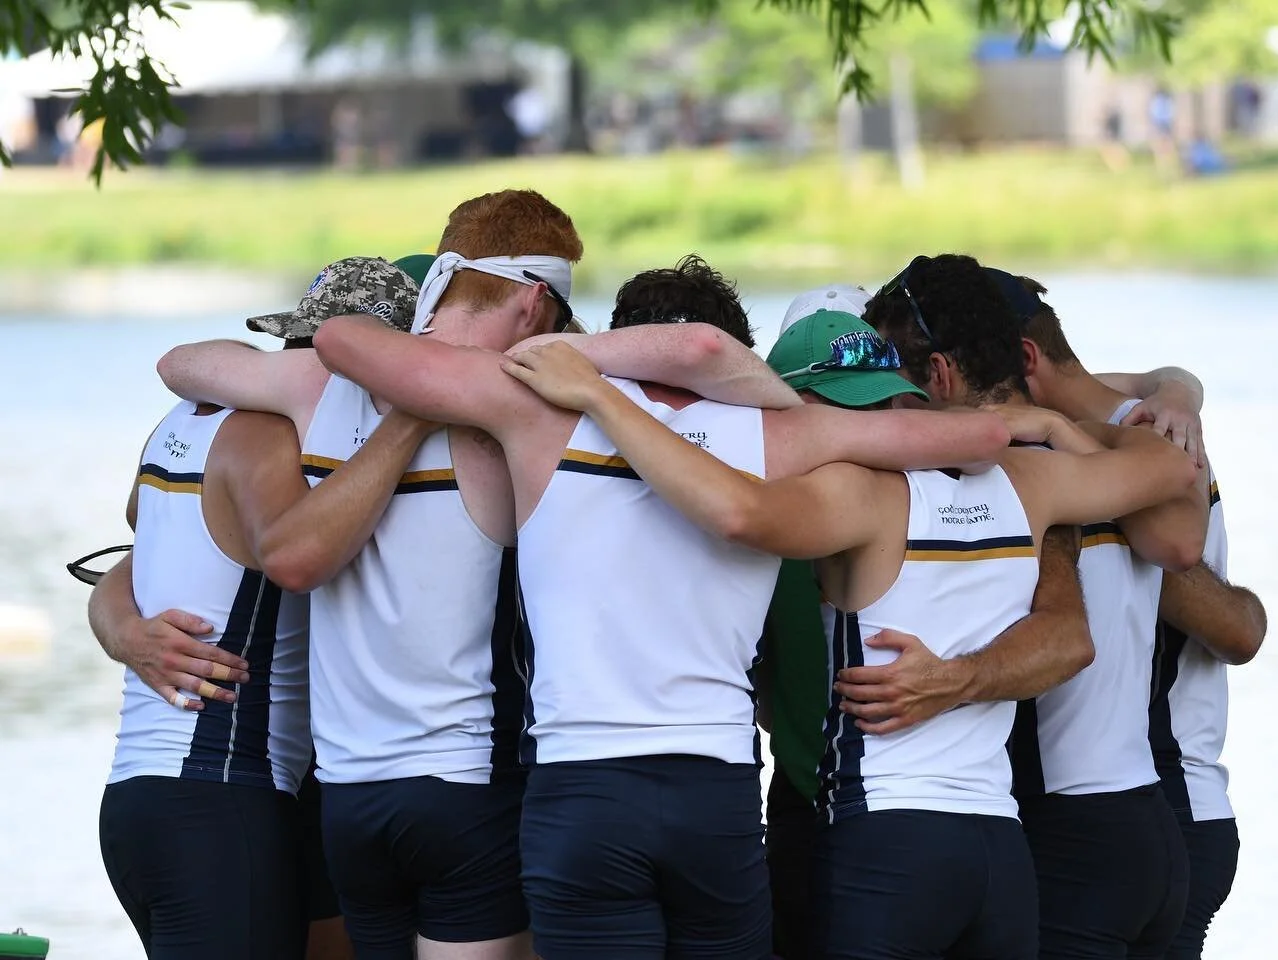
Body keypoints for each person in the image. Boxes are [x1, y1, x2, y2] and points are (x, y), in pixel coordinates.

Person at [153, 206, 813, 959]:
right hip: (470, 786)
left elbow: (180, 363)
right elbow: (697, 358)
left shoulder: (317, 385)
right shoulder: (516, 406)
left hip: (348, 795)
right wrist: (575, 358)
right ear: (536, 304)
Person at [311, 255, 1015, 960]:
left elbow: (341, 341)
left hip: (580, 791)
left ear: (624, 342)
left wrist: (572, 359)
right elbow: (984, 437)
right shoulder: (788, 435)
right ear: (738, 343)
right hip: (714, 793)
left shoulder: (537, 415)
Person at [493, 267, 1196, 960]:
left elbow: (735, 510)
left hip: (881, 847)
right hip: (997, 849)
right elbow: (1169, 469)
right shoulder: (1028, 482)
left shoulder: (844, 497)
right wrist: (1113, 411)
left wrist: (604, 401)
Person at [88, 253, 465, 960]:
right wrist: (417, 414)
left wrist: (123, 628)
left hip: (143, 796)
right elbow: (295, 560)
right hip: (221, 794)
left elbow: (140, 549)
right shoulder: (277, 441)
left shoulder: (185, 421)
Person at [871, 262, 1206, 959]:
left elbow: (1067, 639)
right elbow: (1177, 497)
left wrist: (952, 680)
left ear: (937, 376)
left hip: (1065, 837)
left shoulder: (1013, 472)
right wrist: (1156, 393)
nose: (882, 412)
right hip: (1148, 826)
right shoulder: (1106, 448)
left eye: (890, 385)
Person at [755, 310, 1092, 960]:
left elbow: (1077, 635)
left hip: (884, 830)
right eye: (845, 409)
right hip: (901, 822)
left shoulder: (861, 494)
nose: (875, 428)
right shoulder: (824, 493)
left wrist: (1052, 428)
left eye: (884, 405)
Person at [974, 269, 1267, 960]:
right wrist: (1175, 383)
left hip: (1160, 802)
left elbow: (1234, 624)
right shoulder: (1142, 421)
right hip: (1150, 813)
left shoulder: (1135, 446)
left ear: (1021, 360)